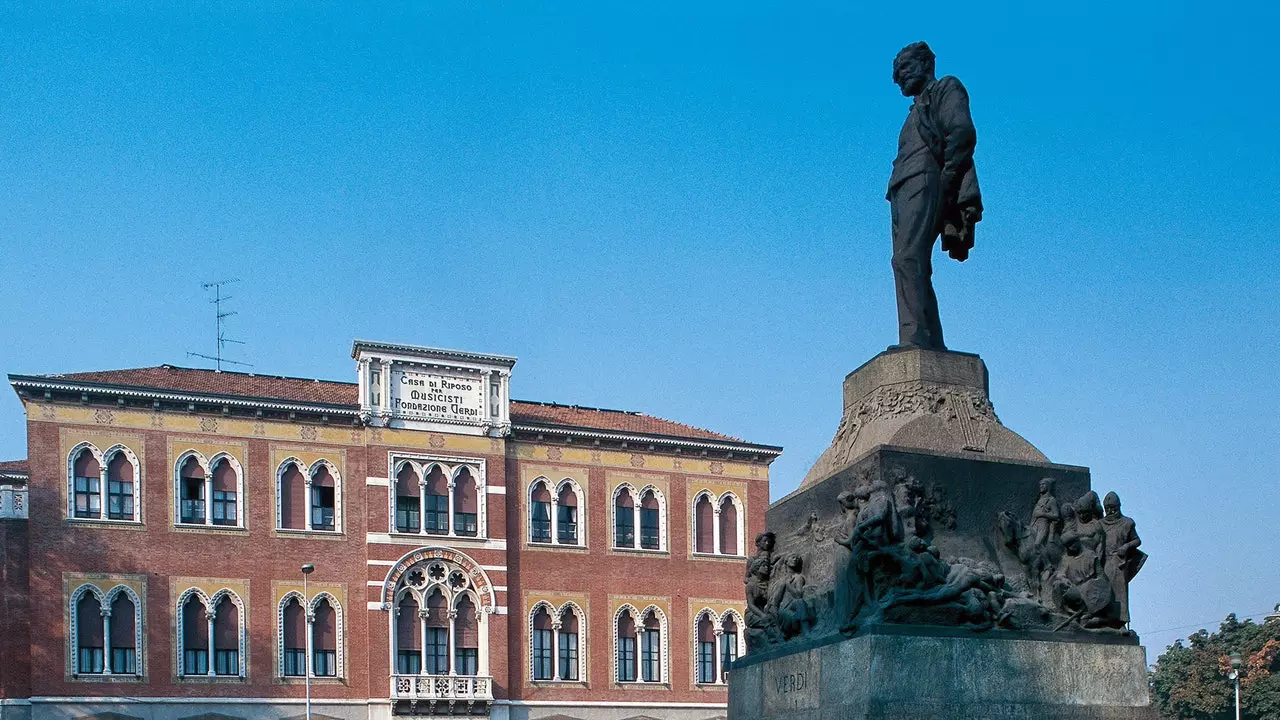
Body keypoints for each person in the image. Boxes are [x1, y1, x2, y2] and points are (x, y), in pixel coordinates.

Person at [886, 41, 983, 350]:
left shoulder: (945, 88)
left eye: (904, 67)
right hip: (902, 189)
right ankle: (930, 342)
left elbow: (962, 133)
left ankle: (913, 337)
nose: (897, 76)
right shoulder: (913, 112)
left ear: (926, 65)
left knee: (907, 258)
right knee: (911, 264)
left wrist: (947, 180)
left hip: (925, 180)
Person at [1100, 492, 1144, 625]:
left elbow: (1137, 540)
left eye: (1113, 507)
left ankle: (1120, 622)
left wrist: (1126, 546)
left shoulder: (1127, 523)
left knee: (1119, 593)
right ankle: (1104, 620)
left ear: (1119, 506)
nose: (1110, 511)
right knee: (1103, 591)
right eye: (1107, 508)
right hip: (1103, 561)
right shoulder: (1100, 524)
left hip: (1118, 562)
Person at [1030, 478, 1061, 548]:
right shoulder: (1039, 500)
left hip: (1043, 526)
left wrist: (1043, 514)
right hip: (1033, 523)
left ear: (1048, 486)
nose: (1041, 486)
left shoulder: (1052, 500)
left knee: (1037, 545)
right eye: (1040, 485)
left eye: (1043, 484)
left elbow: (1056, 515)